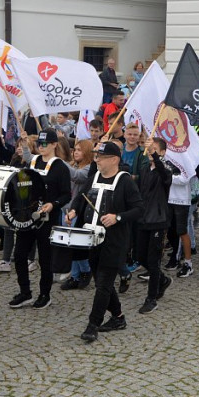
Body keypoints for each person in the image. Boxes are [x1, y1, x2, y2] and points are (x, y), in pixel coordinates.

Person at [68, 141, 144, 342]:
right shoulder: (94, 177)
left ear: (114, 160)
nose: (97, 160)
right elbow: (81, 197)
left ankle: (93, 324)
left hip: (115, 241)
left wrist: (117, 217)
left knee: (103, 285)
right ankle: (118, 317)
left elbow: (139, 209)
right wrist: (74, 210)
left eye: (100, 157)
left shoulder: (125, 181)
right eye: (96, 156)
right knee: (103, 281)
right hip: (92, 239)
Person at [9, 128, 72, 310]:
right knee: (20, 255)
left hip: (47, 219)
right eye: (39, 144)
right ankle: (25, 292)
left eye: (45, 144)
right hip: (27, 217)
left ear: (54, 144)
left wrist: (54, 204)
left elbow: (66, 195)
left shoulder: (60, 167)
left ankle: (45, 294)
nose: (41, 147)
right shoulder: (34, 161)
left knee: (45, 259)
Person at [135, 137, 174, 314]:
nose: (152, 152)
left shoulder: (166, 169)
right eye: (150, 149)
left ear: (163, 152)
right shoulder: (144, 169)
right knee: (139, 255)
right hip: (143, 218)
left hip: (158, 219)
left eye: (156, 149)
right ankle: (163, 280)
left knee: (153, 259)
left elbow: (165, 176)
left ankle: (151, 298)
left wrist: (155, 157)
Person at [62, 140, 95, 290]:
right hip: (67, 209)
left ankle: (86, 270)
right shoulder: (72, 165)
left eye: (79, 150)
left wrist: (58, 161)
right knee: (69, 245)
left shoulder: (88, 169)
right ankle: (75, 276)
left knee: (76, 245)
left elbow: (76, 176)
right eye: (74, 149)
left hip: (78, 211)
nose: (75, 152)